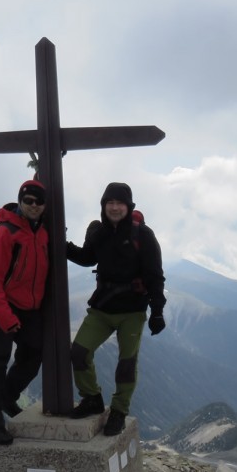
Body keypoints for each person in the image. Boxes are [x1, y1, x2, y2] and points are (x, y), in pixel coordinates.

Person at [66, 182, 166, 436]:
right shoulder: (99, 232)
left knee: (126, 363)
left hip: (132, 310)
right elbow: (88, 257)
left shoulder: (143, 235)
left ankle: (119, 411)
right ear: (103, 205)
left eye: (119, 203)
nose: (114, 207)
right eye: (109, 203)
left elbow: (155, 276)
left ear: (128, 206)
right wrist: (63, 244)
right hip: (102, 307)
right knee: (78, 352)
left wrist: (157, 311)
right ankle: (92, 399)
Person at [0, 179, 50, 445]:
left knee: (34, 354)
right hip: (2, 309)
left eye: (38, 201)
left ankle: (7, 398)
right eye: (28, 200)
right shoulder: (4, 233)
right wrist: (6, 319)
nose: (33, 205)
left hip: (30, 309)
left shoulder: (42, 233)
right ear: (20, 201)